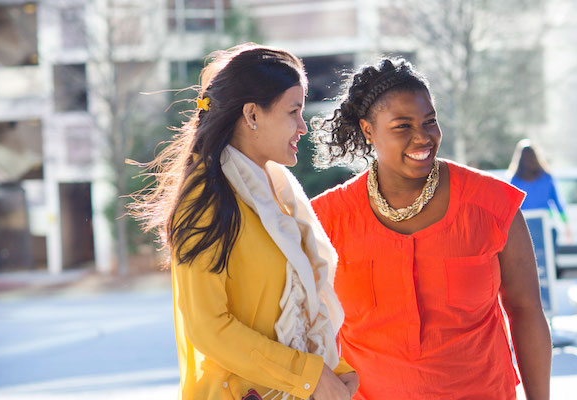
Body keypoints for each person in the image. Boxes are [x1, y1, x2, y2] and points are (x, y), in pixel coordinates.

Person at [309, 58, 552, 400]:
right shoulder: (325, 220)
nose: (423, 137)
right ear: (368, 130)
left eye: (430, 121)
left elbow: (527, 313)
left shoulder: (493, 205)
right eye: (403, 126)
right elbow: (311, 331)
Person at [131, 43, 357, 400]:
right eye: (293, 112)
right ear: (252, 114)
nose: (302, 126)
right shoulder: (207, 200)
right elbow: (208, 327)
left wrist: (334, 371)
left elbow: (296, 311)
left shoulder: (278, 193)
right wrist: (310, 375)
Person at [507, 139, 570, 248]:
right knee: (550, 262)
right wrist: (566, 225)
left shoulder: (513, 181)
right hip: (547, 228)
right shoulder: (547, 177)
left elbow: (509, 209)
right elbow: (558, 204)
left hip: (523, 231)